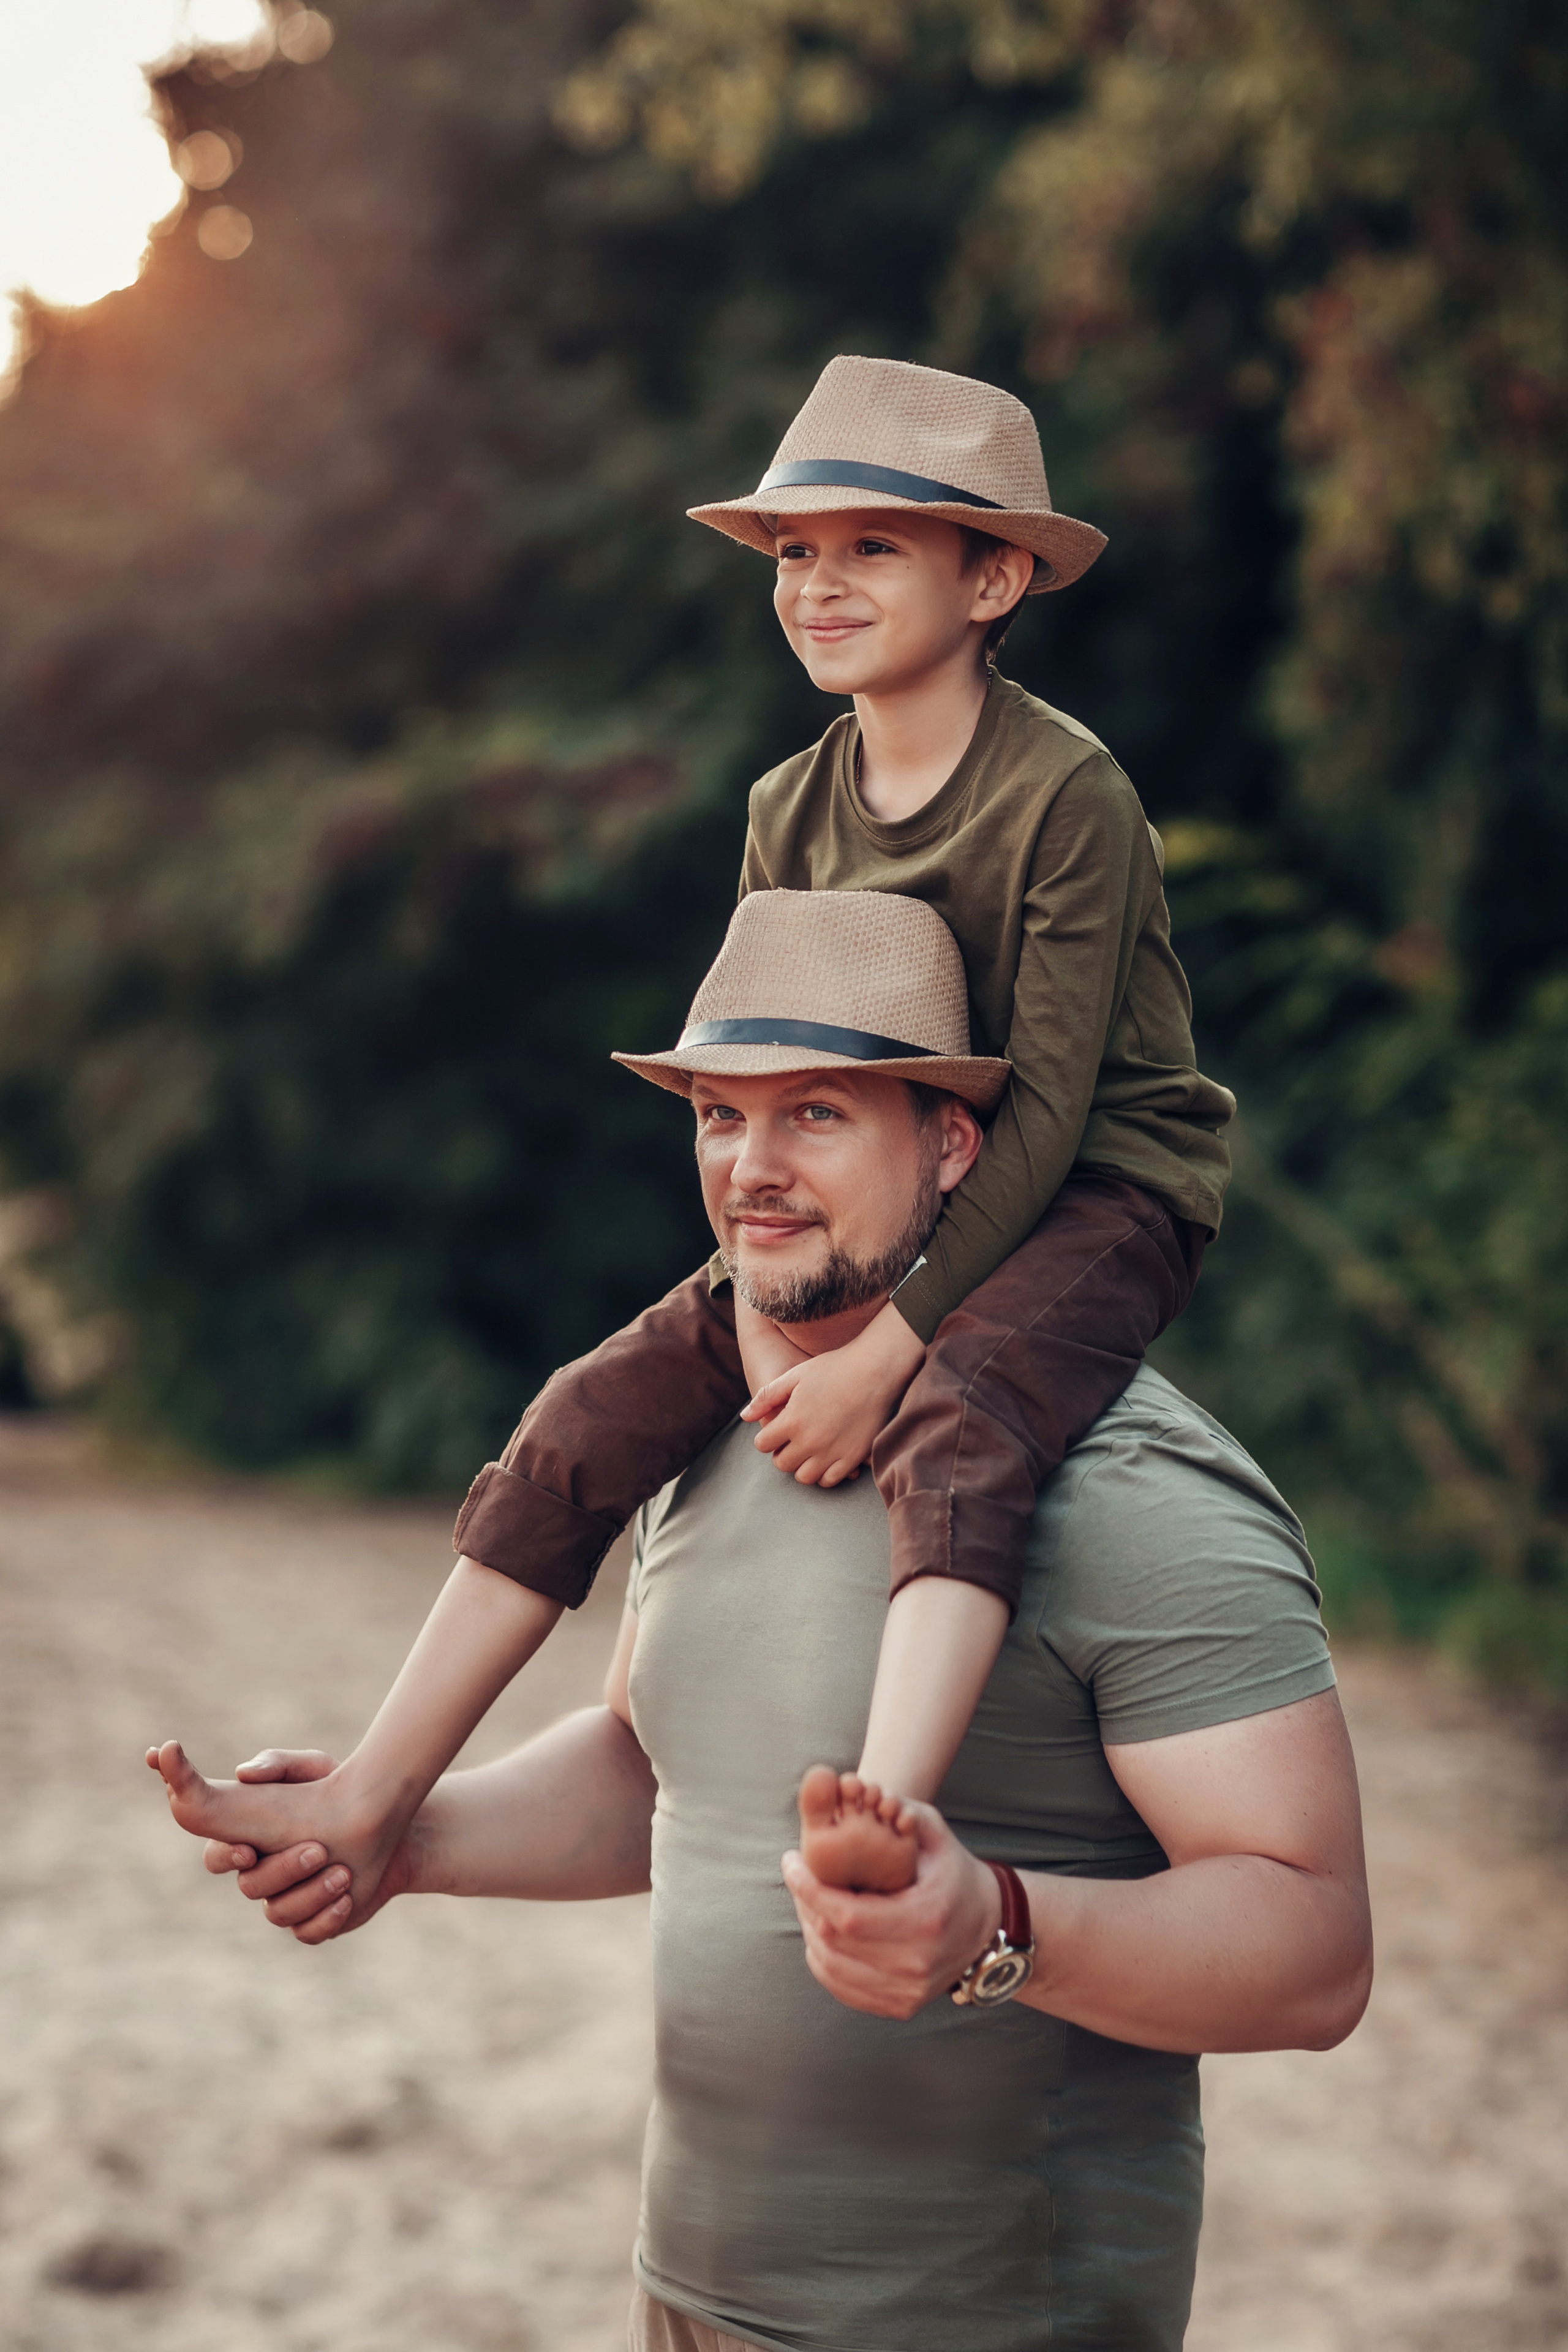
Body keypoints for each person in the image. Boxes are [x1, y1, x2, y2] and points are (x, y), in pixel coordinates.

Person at [168, 890, 1371, 2352]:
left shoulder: (1135, 1487)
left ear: (952, 1144)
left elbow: (1314, 1951)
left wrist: (994, 1928)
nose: (751, 1169)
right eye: (718, 1118)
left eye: (814, 1113)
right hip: (686, 2300)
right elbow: (660, 1772)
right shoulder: (717, 1433)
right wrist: (404, 1835)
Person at [148, 353, 1235, 1916]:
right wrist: (760, 1268)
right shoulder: (787, 805)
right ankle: (377, 1783)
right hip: (875, 1181)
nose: (817, 583)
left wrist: (886, 1351)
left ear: (994, 573)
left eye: (872, 545)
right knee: (598, 1404)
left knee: (964, 1412)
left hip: (1097, 1188)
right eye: (794, 551)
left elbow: (1053, 1107)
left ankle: (889, 1805)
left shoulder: (1069, 794)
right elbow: (771, 1074)